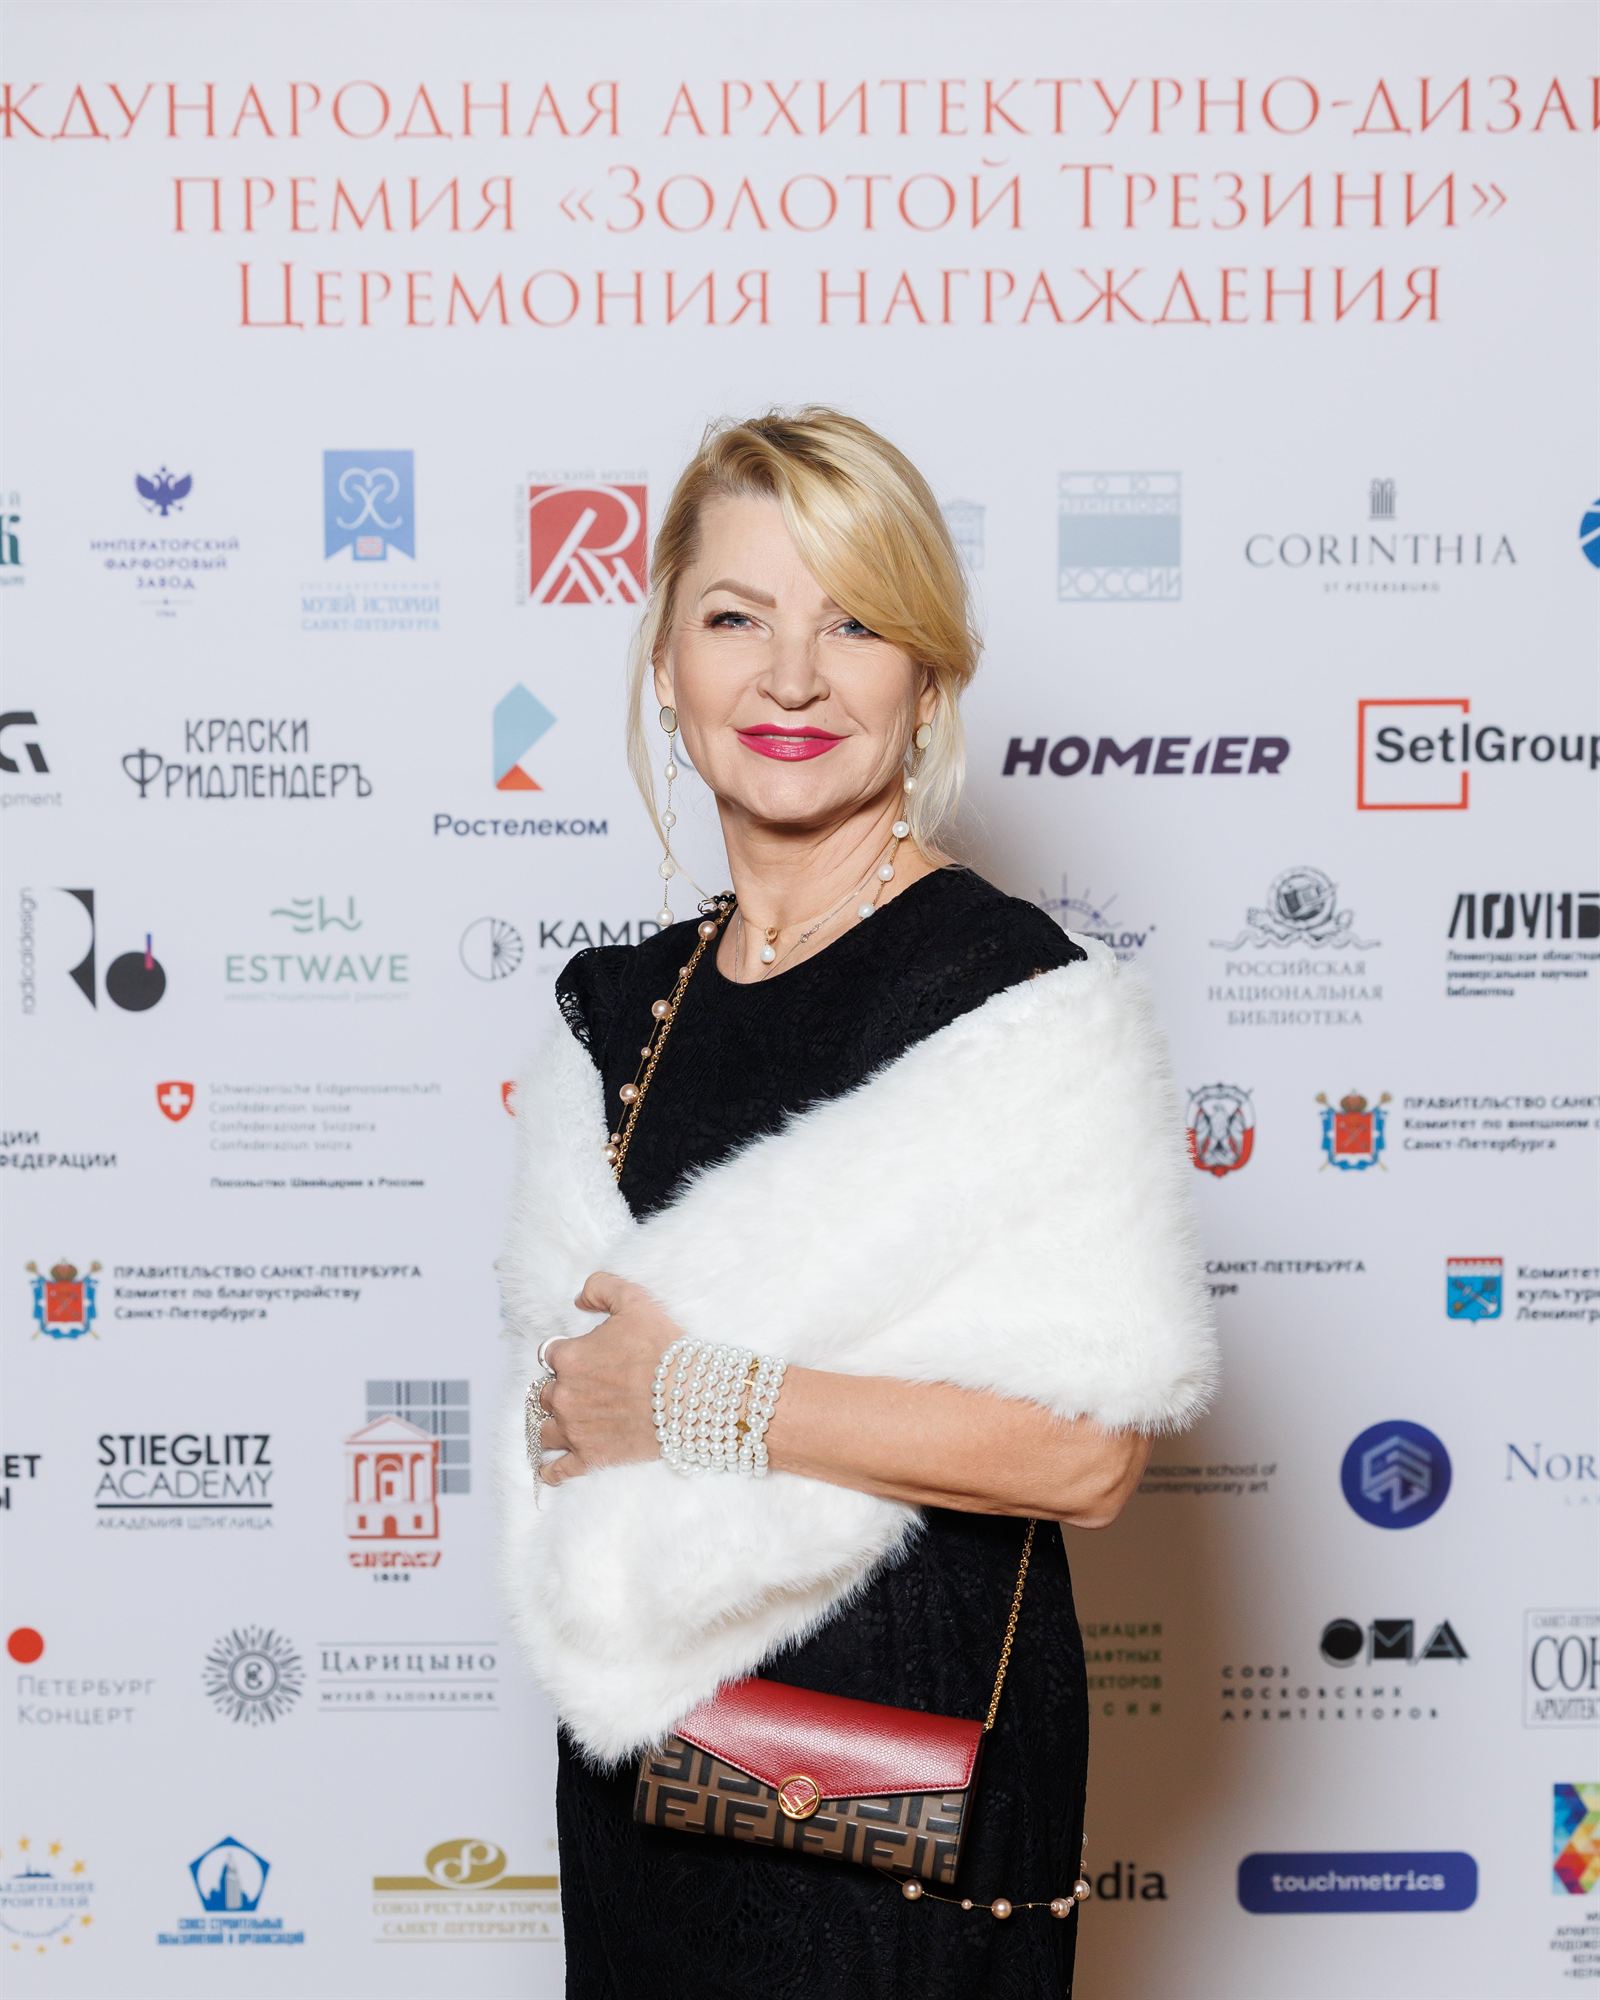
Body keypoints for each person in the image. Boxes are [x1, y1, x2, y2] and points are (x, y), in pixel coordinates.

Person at [495, 405, 1218, 2000]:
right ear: (666, 665)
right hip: (642, 1760)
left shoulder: (1017, 1001)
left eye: (854, 624)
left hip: (898, 1780)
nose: (792, 678)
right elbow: (563, 1412)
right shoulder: (617, 1013)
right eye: (735, 618)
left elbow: (1085, 1455)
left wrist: (694, 1395)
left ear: (927, 680)